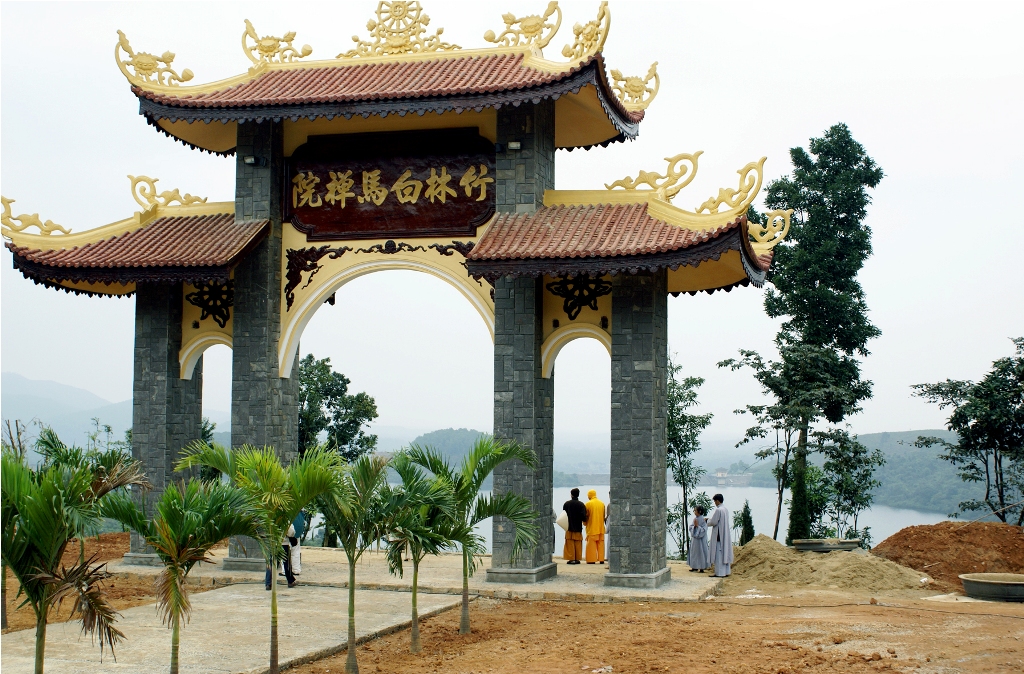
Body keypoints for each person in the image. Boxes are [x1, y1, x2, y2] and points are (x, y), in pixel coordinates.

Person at [706, 494, 733, 577]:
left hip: (719, 535)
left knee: (718, 554)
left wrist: (707, 521)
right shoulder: (725, 509)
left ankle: (719, 573)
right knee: (724, 553)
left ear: (717, 501)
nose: (714, 503)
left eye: (715, 501)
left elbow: (714, 521)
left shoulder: (718, 510)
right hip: (725, 533)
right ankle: (726, 571)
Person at [266, 523, 297, 590]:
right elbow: (291, 532)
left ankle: (268, 583)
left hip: (273, 544)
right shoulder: (286, 520)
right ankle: (290, 581)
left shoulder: (271, 519)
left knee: (272, 564)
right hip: (284, 544)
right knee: (287, 564)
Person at [562, 488, 587, 564]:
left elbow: (563, 515)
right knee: (578, 544)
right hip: (578, 527)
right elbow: (584, 517)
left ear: (571, 495)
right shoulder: (581, 505)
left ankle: (571, 558)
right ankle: (577, 558)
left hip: (569, 527)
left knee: (570, 543)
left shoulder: (567, 504)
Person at [584, 489, 607, 564]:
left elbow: (586, 516)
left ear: (589, 495)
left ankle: (591, 560)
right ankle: (601, 559)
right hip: (601, 528)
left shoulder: (588, 504)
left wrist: (585, 523)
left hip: (592, 528)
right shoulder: (602, 503)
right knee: (601, 544)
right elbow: (604, 516)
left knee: (591, 545)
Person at [687, 505, 709, 573]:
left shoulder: (703, 520)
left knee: (701, 552)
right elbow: (691, 527)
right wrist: (694, 527)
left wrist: (697, 526)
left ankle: (702, 567)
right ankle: (694, 566)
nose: (694, 512)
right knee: (694, 553)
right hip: (695, 540)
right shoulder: (695, 519)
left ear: (699, 511)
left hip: (701, 541)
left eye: (695, 510)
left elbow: (704, 530)